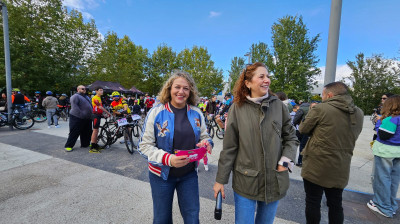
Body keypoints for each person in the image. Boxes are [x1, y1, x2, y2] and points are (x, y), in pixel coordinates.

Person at [213, 62, 298, 224]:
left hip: (274, 179)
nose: (267, 80)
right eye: (261, 76)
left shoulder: (279, 106)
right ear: (248, 83)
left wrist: (285, 162)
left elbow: (292, 138)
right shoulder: (237, 108)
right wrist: (220, 180)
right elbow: (229, 148)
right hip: (246, 182)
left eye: (268, 76)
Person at [138, 70, 213, 224]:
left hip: (189, 175)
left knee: (192, 218)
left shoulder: (197, 113)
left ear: (190, 91)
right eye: (177, 87)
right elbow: (144, 146)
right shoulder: (156, 112)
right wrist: (168, 159)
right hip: (161, 176)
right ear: (169, 89)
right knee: (162, 219)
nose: (181, 91)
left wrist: (207, 143)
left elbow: (205, 135)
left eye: (186, 88)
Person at [299, 82, 364, 224]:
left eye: (322, 95)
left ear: (329, 95)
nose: (322, 98)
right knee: (335, 204)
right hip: (341, 165)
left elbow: (303, 129)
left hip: (316, 164)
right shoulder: (358, 112)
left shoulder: (321, 109)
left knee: (313, 201)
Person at [367, 95, 400, 218]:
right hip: (398, 152)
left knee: (382, 178)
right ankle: (391, 205)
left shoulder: (391, 119)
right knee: (394, 180)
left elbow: (383, 135)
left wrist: (378, 123)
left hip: (385, 152)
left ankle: (383, 206)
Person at [64, 85, 93, 152]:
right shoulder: (75, 96)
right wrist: (81, 114)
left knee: (87, 132)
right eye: (82, 89)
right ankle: (69, 145)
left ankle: (85, 144)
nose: (84, 90)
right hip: (77, 117)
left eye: (85, 89)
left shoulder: (86, 96)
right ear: (78, 89)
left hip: (87, 118)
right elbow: (75, 107)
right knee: (74, 131)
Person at [90, 87, 112, 153]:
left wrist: (103, 114)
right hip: (95, 115)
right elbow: (100, 107)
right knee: (95, 130)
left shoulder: (99, 98)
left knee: (97, 130)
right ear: (96, 91)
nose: (102, 91)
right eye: (100, 90)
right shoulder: (95, 98)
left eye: (102, 90)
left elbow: (99, 109)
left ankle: (95, 144)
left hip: (98, 115)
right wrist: (108, 113)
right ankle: (92, 147)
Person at [292, 101, 311, 166]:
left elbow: (296, 119)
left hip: (299, 129)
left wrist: (294, 124)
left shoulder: (301, 109)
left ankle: (291, 160)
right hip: (308, 130)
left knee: (294, 143)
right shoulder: (311, 109)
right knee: (303, 146)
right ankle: (301, 161)